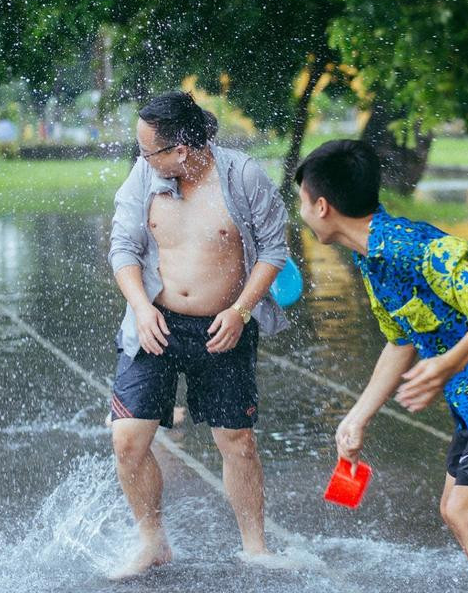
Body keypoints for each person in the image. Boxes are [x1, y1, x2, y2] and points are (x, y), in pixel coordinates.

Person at [295, 139, 468, 593]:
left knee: (466, 510)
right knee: (453, 508)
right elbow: (400, 341)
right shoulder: (373, 261)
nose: (300, 211)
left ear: (322, 206)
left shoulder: (413, 247)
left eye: (301, 201)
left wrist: (445, 363)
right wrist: (358, 416)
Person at [107, 91, 289, 578]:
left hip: (223, 326)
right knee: (127, 440)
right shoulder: (146, 177)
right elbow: (122, 248)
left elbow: (274, 249)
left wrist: (242, 311)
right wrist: (142, 308)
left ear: (181, 151)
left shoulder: (242, 176)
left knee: (237, 440)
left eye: (150, 151)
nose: (142, 160)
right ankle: (152, 541)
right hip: (156, 322)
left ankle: (255, 546)